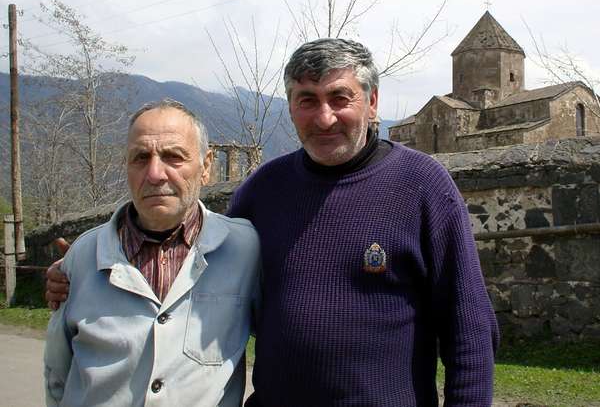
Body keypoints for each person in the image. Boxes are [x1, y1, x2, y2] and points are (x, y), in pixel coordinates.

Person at [47, 39, 499, 407]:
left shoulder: (422, 185)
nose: (324, 117)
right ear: (289, 106)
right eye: (307, 100)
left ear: (372, 101)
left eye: (340, 98)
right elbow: (200, 265)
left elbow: (470, 330)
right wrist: (88, 272)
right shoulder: (264, 189)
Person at [44, 99, 260, 407]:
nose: (155, 173)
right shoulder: (83, 257)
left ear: (206, 166)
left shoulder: (244, 249)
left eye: (174, 157)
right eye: (141, 158)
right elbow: (57, 373)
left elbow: (286, 332)